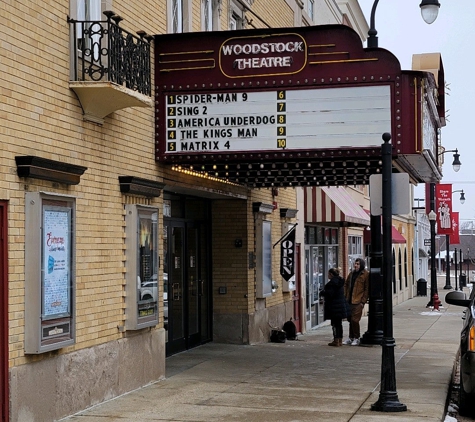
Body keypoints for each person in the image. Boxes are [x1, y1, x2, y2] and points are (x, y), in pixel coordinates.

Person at [321, 267, 349, 347]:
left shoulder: (332, 283)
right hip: (340, 305)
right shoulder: (340, 281)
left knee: (335, 324)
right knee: (339, 324)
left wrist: (323, 293)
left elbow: (330, 294)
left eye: (328, 274)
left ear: (331, 274)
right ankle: (339, 340)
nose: (327, 276)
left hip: (334, 306)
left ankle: (336, 340)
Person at [343, 258, 369, 346]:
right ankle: (351, 337)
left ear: (361, 265)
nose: (356, 265)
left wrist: (363, 301)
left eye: (357, 264)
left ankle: (356, 337)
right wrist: (346, 295)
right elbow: (346, 284)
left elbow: (366, 289)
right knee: (350, 320)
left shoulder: (365, 275)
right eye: (355, 264)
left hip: (358, 301)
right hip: (350, 300)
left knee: (355, 320)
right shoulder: (352, 273)